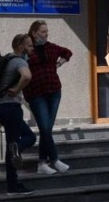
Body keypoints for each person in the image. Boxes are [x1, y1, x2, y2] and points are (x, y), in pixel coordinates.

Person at [23, 20, 72, 175]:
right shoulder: (28, 50)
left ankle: (42, 163)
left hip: (54, 91)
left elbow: (67, 52)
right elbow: (19, 64)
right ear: (34, 33)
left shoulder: (51, 47)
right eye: (43, 32)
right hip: (36, 93)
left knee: (47, 128)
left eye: (47, 31)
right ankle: (54, 159)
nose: (46, 34)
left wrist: (59, 64)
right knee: (44, 127)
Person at [0, 33, 37, 194]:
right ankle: (16, 149)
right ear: (20, 47)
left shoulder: (7, 60)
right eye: (29, 45)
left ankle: (12, 185)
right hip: (11, 107)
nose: (32, 48)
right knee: (29, 138)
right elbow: (27, 76)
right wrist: (18, 89)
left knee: (11, 146)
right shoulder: (19, 61)